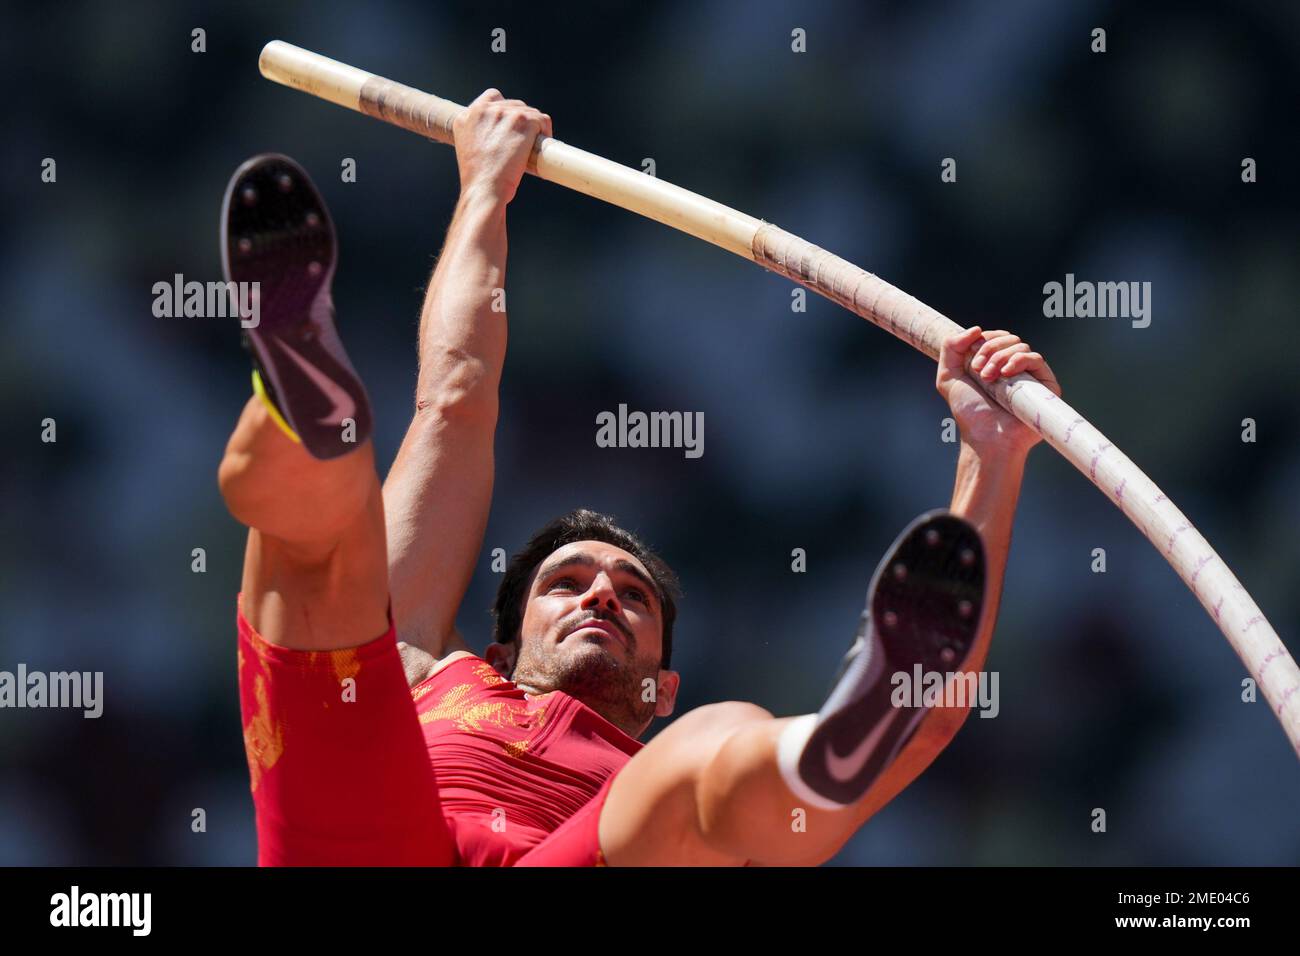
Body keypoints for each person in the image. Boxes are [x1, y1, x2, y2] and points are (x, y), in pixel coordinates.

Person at [218, 91, 1062, 866]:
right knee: (325, 584)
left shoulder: (647, 771)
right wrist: (484, 190)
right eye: (568, 582)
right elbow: (455, 402)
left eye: (631, 595)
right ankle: (301, 411)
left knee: (712, 745)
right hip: (368, 843)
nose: (599, 596)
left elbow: (931, 714)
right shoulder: (429, 673)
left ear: (660, 685)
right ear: (501, 651)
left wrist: (990, 457)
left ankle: (819, 754)